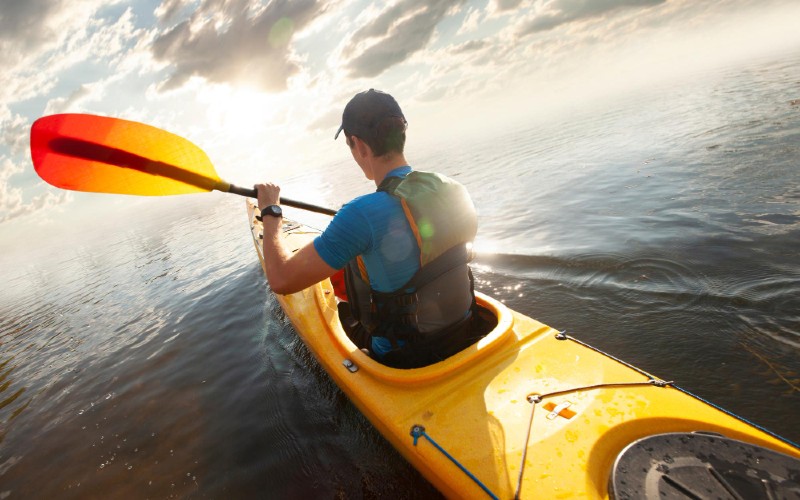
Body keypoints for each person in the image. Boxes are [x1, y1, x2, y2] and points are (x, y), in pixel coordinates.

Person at [255, 89, 486, 368]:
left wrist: (271, 211)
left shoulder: (360, 214)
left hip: (404, 359)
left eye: (350, 146)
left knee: (338, 311)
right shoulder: (454, 189)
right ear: (402, 133)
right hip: (463, 331)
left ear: (359, 145)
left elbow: (281, 280)